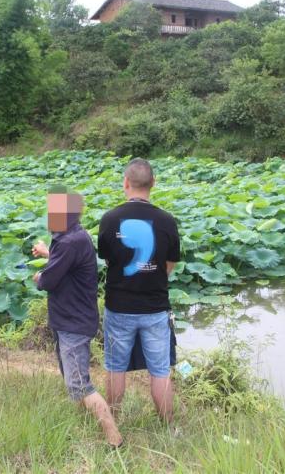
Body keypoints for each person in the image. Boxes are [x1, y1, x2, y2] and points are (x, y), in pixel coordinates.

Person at [32, 188, 122, 447]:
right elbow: (67, 262)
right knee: (73, 378)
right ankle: (84, 424)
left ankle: (114, 439)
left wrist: (40, 278)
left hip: (73, 322)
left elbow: (49, 280)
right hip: (73, 319)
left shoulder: (69, 241)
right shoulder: (75, 236)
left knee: (80, 384)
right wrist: (48, 253)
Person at [98, 158, 180, 422]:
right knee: (159, 371)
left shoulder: (109, 219)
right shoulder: (167, 221)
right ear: (153, 184)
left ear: (126, 183)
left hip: (118, 306)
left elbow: (109, 261)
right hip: (155, 309)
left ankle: (113, 422)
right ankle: (169, 427)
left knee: (115, 367)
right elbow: (169, 265)